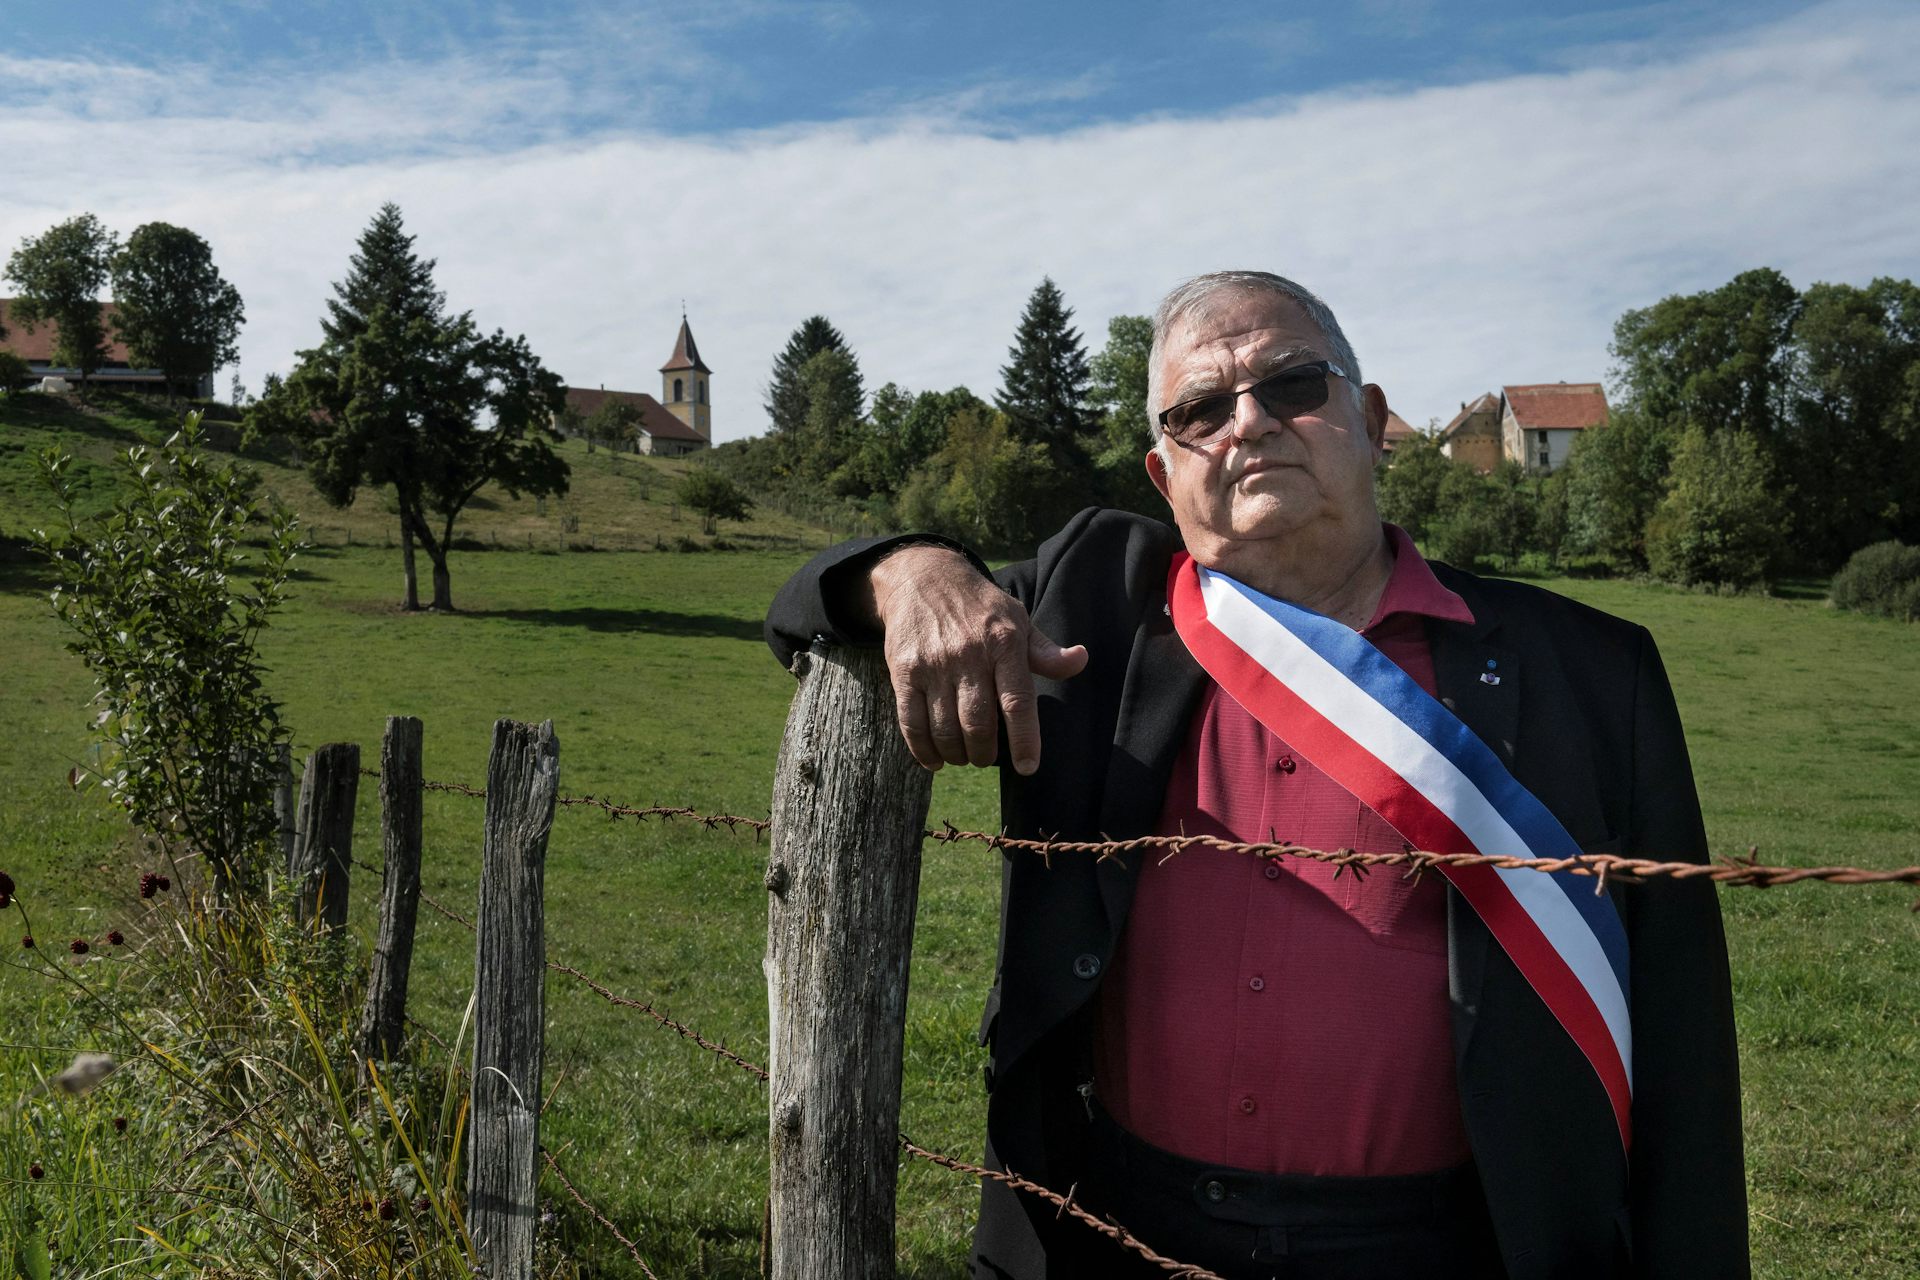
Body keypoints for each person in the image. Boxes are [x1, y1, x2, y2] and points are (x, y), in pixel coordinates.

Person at [765, 271, 1747, 1279]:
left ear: (1367, 421)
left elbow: (1686, 1063)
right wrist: (913, 571)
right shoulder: (1089, 605)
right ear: (1162, 472)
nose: (1249, 423)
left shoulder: (1587, 671)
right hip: (1111, 1234)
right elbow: (803, 603)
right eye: (1201, 408)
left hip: (1450, 1246)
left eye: (1292, 386)